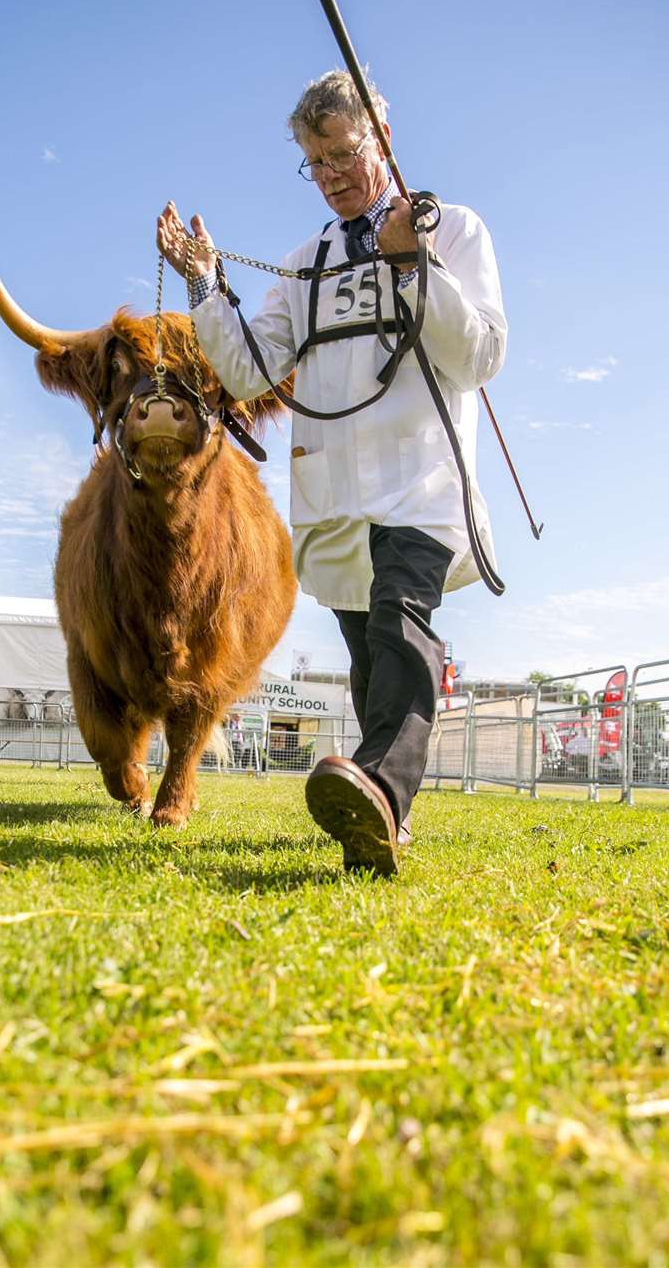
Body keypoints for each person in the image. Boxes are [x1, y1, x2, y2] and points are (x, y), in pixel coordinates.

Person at [156, 69, 506, 875]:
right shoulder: (301, 263)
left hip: (422, 480)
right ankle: (381, 819)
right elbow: (247, 370)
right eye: (317, 162)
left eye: (346, 153)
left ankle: (379, 789)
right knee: (369, 654)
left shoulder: (451, 231)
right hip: (336, 492)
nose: (335, 175)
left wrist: (416, 267)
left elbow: (482, 352)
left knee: (400, 623)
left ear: (381, 140)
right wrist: (207, 282)